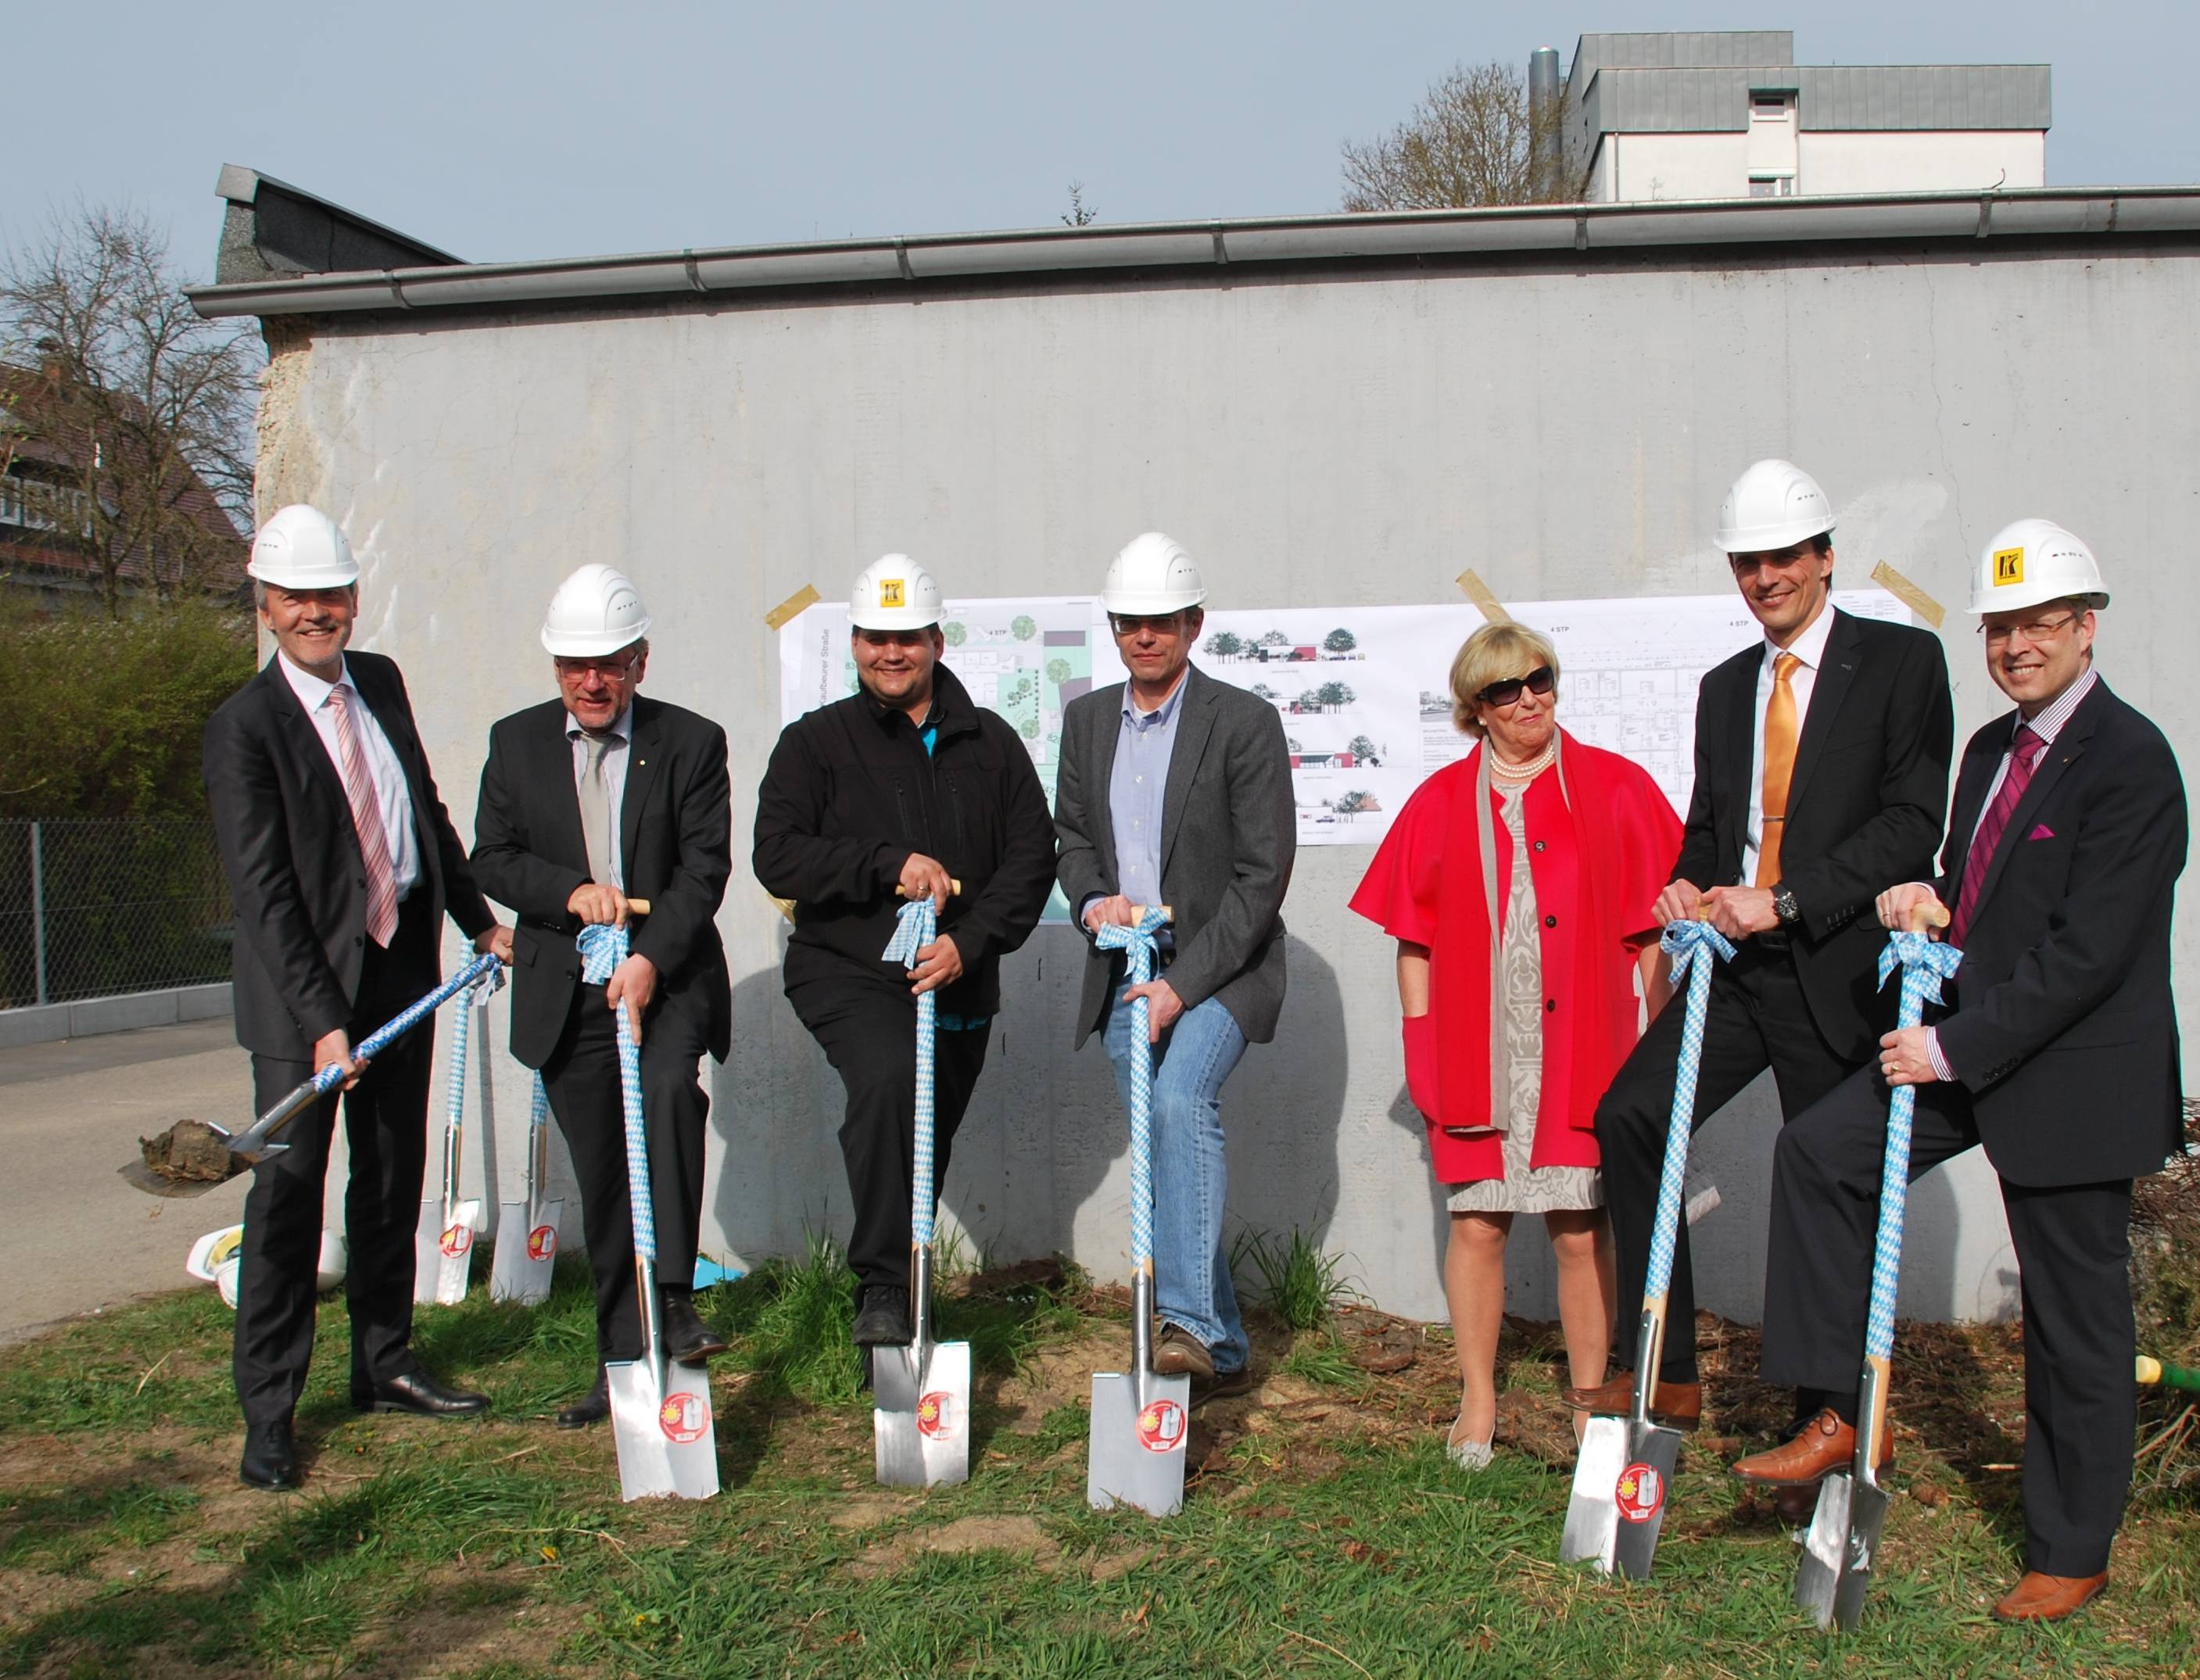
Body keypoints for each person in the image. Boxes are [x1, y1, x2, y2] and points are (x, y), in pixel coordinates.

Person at [1740, 520, 2184, 1622]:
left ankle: (2069, 1545)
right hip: (1972, 1036)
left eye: (2039, 622)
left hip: (2067, 1069)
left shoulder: (2131, 765)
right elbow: (1975, 883)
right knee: (1820, 1149)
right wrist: (1925, 900)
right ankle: (1846, 1405)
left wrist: (1949, 1044)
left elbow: (2089, 953)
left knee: (2072, 1317)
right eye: (1999, 626)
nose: (2016, 644)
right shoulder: (1991, 750)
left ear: (2086, 628)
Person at [1572, 460, 1955, 1463]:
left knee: (1824, 1171)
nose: (1766, 576)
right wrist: (1686, 887)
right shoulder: (1726, 686)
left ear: (1827, 558)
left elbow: (1913, 824)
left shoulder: (1903, 664)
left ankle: (1830, 1415)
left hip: (1835, 963)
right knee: (1631, 1112)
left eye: (1785, 556)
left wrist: (1784, 900)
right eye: (1749, 561)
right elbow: (1711, 832)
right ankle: (1669, 1366)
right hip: (1736, 972)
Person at [203, 504, 511, 1491]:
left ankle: (384, 1360)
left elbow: (421, 808)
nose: (316, 612)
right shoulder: (244, 729)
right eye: (296, 597)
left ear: (353, 599)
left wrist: (477, 919)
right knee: (288, 1198)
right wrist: (322, 1022)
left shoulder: (378, 681)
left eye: (330, 594)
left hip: (395, 968)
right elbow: (265, 897)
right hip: (304, 997)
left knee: (388, 1173)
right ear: (265, 603)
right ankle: (270, 1412)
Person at [1349, 623, 1679, 1467]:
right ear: (1476, 709)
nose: (1529, 699)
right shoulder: (1436, 803)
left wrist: (1657, 1051)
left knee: (1579, 1227)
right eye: (1506, 689)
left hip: (1585, 1047)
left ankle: (1589, 1401)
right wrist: (1422, 1046)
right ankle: (1478, 1397)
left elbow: (1653, 938)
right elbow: (1413, 944)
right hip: (1478, 1050)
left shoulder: (1614, 787)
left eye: (1541, 679)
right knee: (1479, 1227)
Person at [754, 555, 1055, 1345]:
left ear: (936, 641)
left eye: (907, 638)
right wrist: (885, 863)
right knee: (889, 1081)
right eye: (874, 638)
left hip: (959, 977)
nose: (890, 653)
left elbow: (1031, 859)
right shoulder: (816, 744)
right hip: (847, 971)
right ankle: (882, 1289)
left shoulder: (990, 744)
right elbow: (777, 854)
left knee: (927, 1137)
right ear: (854, 642)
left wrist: (969, 943)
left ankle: (907, 1304)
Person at [471, 564, 733, 1428]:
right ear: (556, 667)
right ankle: (624, 1356)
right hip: (566, 989)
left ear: (641, 662)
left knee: (666, 1098)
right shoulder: (514, 745)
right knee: (609, 1180)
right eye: (576, 664)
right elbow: (492, 859)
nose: (593, 681)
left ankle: (673, 1300)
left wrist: (652, 957)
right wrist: (570, 889)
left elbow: (703, 872)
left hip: (669, 974)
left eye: (612, 663)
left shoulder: (692, 743)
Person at [1055, 532, 1295, 1402]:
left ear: (1195, 625)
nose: (1144, 637)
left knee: (1180, 1097)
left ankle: (1185, 1322)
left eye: (1161, 622)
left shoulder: (1243, 721)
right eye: (1129, 622)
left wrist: (1181, 987)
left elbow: (1261, 876)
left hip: (1224, 969)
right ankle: (1224, 1348)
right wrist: (1092, 902)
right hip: (1125, 967)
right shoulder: (1086, 721)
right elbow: (1073, 840)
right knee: (1163, 1140)